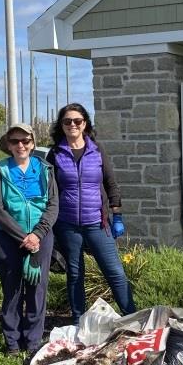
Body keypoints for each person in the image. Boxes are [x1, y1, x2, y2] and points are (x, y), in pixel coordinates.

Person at [45, 103, 136, 323]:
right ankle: (78, 321)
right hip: (67, 225)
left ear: (85, 123)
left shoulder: (96, 150)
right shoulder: (55, 154)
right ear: (61, 125)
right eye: (67, 121)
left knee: (115, 272)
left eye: (77, 120)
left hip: (97, 222)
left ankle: (132, 317)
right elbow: (47, 190)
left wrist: (117, 216)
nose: (73, 125)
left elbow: (111, 183)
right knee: (75, 274)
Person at [0, 123, 58, 355]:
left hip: (41, 237)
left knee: (37, 288)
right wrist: (23, 237)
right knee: (12, 289)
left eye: (25, 141)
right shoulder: (0, 170)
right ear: (8, 145)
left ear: (33, 143)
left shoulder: (45, 169)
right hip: (8, 238)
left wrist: (37, 235)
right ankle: (12, 342)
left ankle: (33, 341)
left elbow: (53, 205)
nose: (21, 145)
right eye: (15, 141)